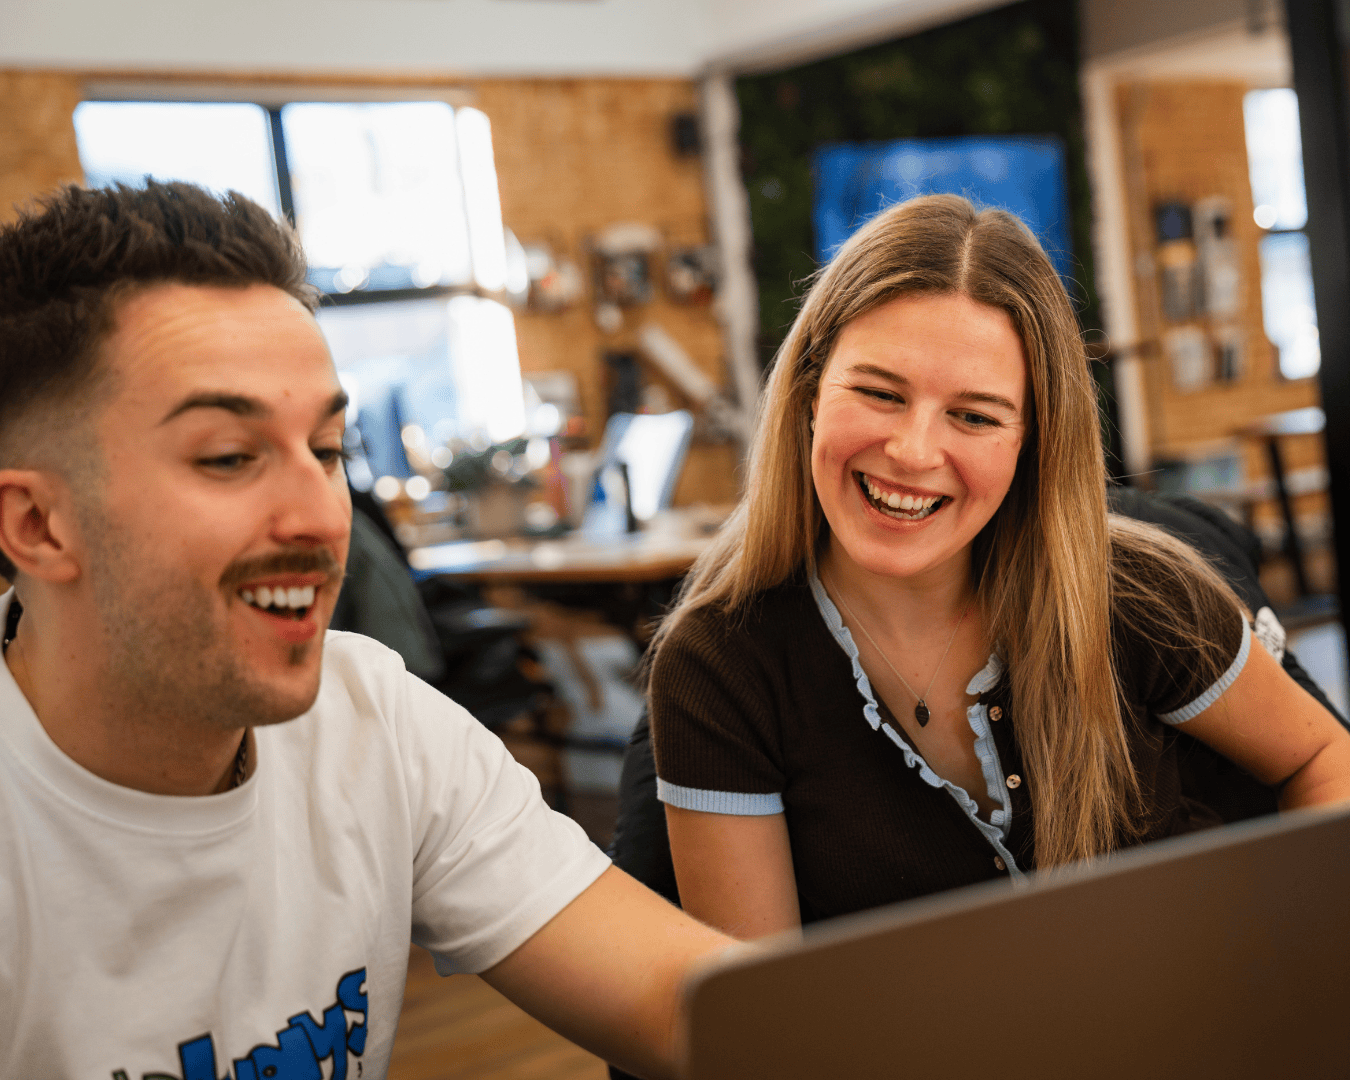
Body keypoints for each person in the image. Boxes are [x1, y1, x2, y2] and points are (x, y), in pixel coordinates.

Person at [0, 181, 730, 1079]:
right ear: (36, 526)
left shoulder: (373, 719)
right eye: (230, 457)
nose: (319, 514)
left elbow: (690, 1006)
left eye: (328, 451)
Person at [647, 194, 1350, 940]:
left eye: (975, 416)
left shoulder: (1141, 592)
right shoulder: (718, 665)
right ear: (810, 392)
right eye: (880, 393)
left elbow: (1323, 757)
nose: (914, 452)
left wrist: (1284, 966)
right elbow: (764, 1015)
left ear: (1033, 440)